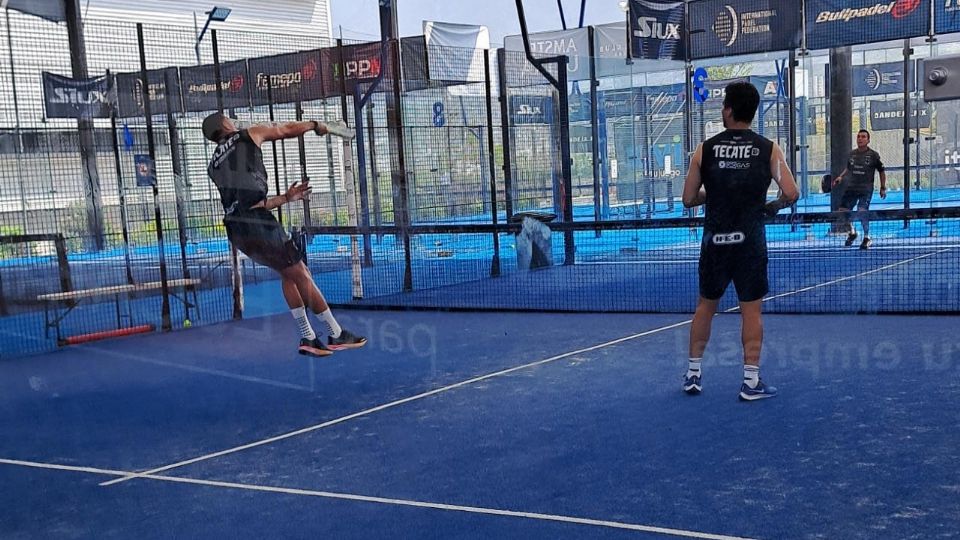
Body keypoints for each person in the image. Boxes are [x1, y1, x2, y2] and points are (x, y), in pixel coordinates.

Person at [203, 112, 366, 357]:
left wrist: (288, 198)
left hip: (237, 230)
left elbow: (250, 203)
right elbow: (285, 129)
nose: (233, 122)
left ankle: (309, 337)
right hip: (257, 224)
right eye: (229, 119)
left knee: (288, 274)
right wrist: (315, 125)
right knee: (301, 273)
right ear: (225, 124)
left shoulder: (213, 166)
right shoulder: (248, 135)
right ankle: (335, 333)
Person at [680, 82, 799, 401]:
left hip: (714, 242)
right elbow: (791, 193)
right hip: (750, 243)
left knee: (705, 307)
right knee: (752, 312)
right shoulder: (769, 149)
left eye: (723, 106)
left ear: (729, 110)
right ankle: (750, 382)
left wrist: (715, 195)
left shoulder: (704, 149)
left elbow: (689, 198)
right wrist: (770, 207)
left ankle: (693, 375)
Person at [832, 129, 887, 250]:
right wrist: (840, 177)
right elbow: (848, 168)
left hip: (866, 189)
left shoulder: (873, 155)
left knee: (862, 212)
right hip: (852, 187)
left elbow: (882, 171)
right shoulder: (852, 154)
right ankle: (852, 232)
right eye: (858, 137)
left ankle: (867, 237)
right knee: (842, 211)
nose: (860, 139)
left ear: (868, 140)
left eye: (863, 137)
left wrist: (883, 187)